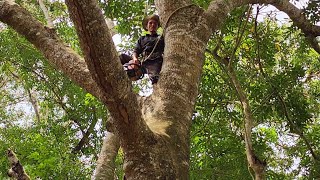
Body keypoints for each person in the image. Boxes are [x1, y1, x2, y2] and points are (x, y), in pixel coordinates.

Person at [120, 14, 164, 84]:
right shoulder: (142, 39)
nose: (152, 25)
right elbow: (136, 51)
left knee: (155, 78)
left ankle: (145, 75)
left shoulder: (161, 38)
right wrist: (135, 59)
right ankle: (130, 74)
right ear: (147, 26)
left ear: (158, 26)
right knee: (122, 57)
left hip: (155, 62)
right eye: (150, 23)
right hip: (142, 62)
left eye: (155, 23)